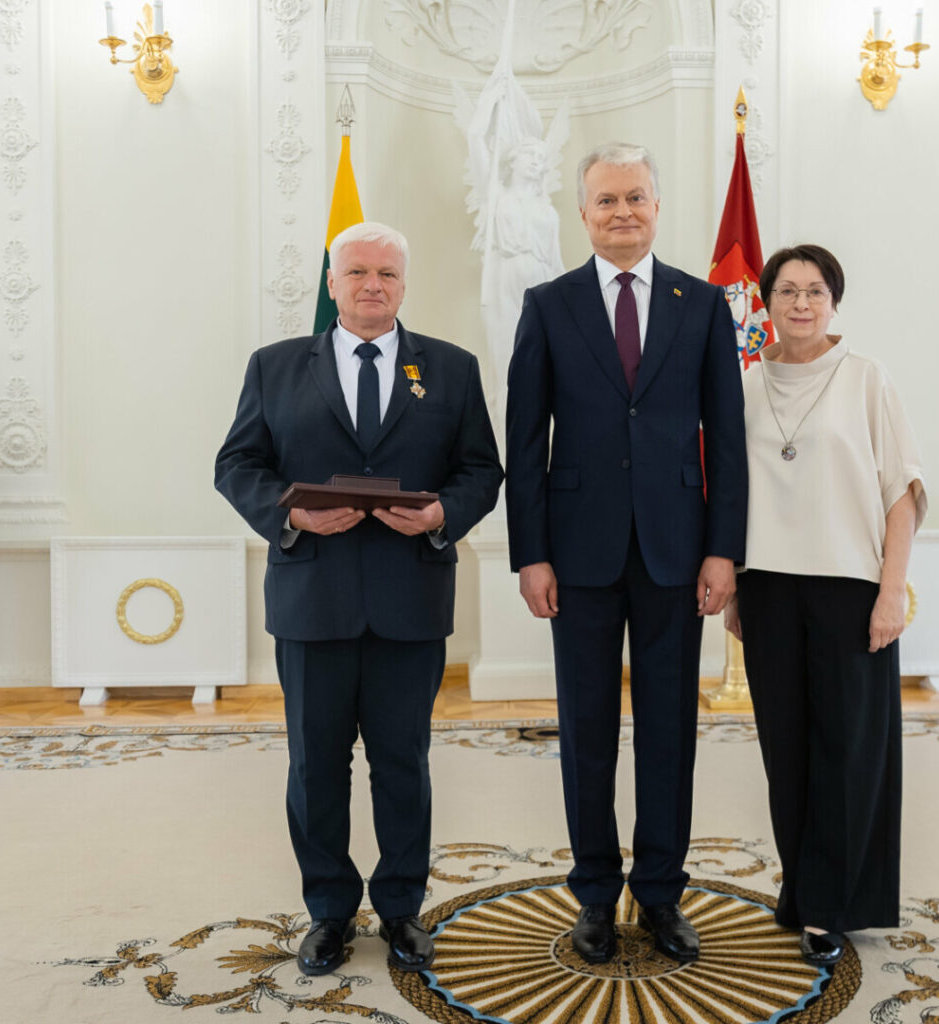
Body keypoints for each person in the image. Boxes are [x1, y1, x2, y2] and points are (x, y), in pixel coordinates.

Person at [214, 222, 502, 978]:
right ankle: (330, 911)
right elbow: (237, 463)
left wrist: (443, 514)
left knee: (403, 761)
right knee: (316, 765)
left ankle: (402, 908)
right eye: (358, 272)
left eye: (387, 273)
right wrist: (289, 515)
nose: (373, 285)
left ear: (404, 284)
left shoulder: (451, 368)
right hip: (313, 597)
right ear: (332, 283)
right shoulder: (276, 366)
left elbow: (481, 470)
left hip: (411, 598)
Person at [505, 143, 746, 965]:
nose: (623, 212)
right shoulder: (548, 305)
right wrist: (531, 554)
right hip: (577, 554)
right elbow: (524, 439)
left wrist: (724, 551)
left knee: (670, 729)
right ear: (583, 214)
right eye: (606, 200)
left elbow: (728, 439)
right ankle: (596, 898)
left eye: (636, 197)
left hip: (679, 551)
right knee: (587, 732)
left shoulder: (702, 304)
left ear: (657, 206)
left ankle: (662, 893)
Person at [723, 244, 927, 967]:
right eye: (787, 291)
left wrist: (891, 591)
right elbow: (734, 493)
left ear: (834, 302)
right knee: (787, 751)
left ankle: (833, 905)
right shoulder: (747, 385)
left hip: (850, 588)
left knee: (848, 750)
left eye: (815, 291)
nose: (801, 303)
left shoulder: (867, 378)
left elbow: (901, 493)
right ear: (767, 302)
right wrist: (736, 588)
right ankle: (804, 889)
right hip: (769, 587)